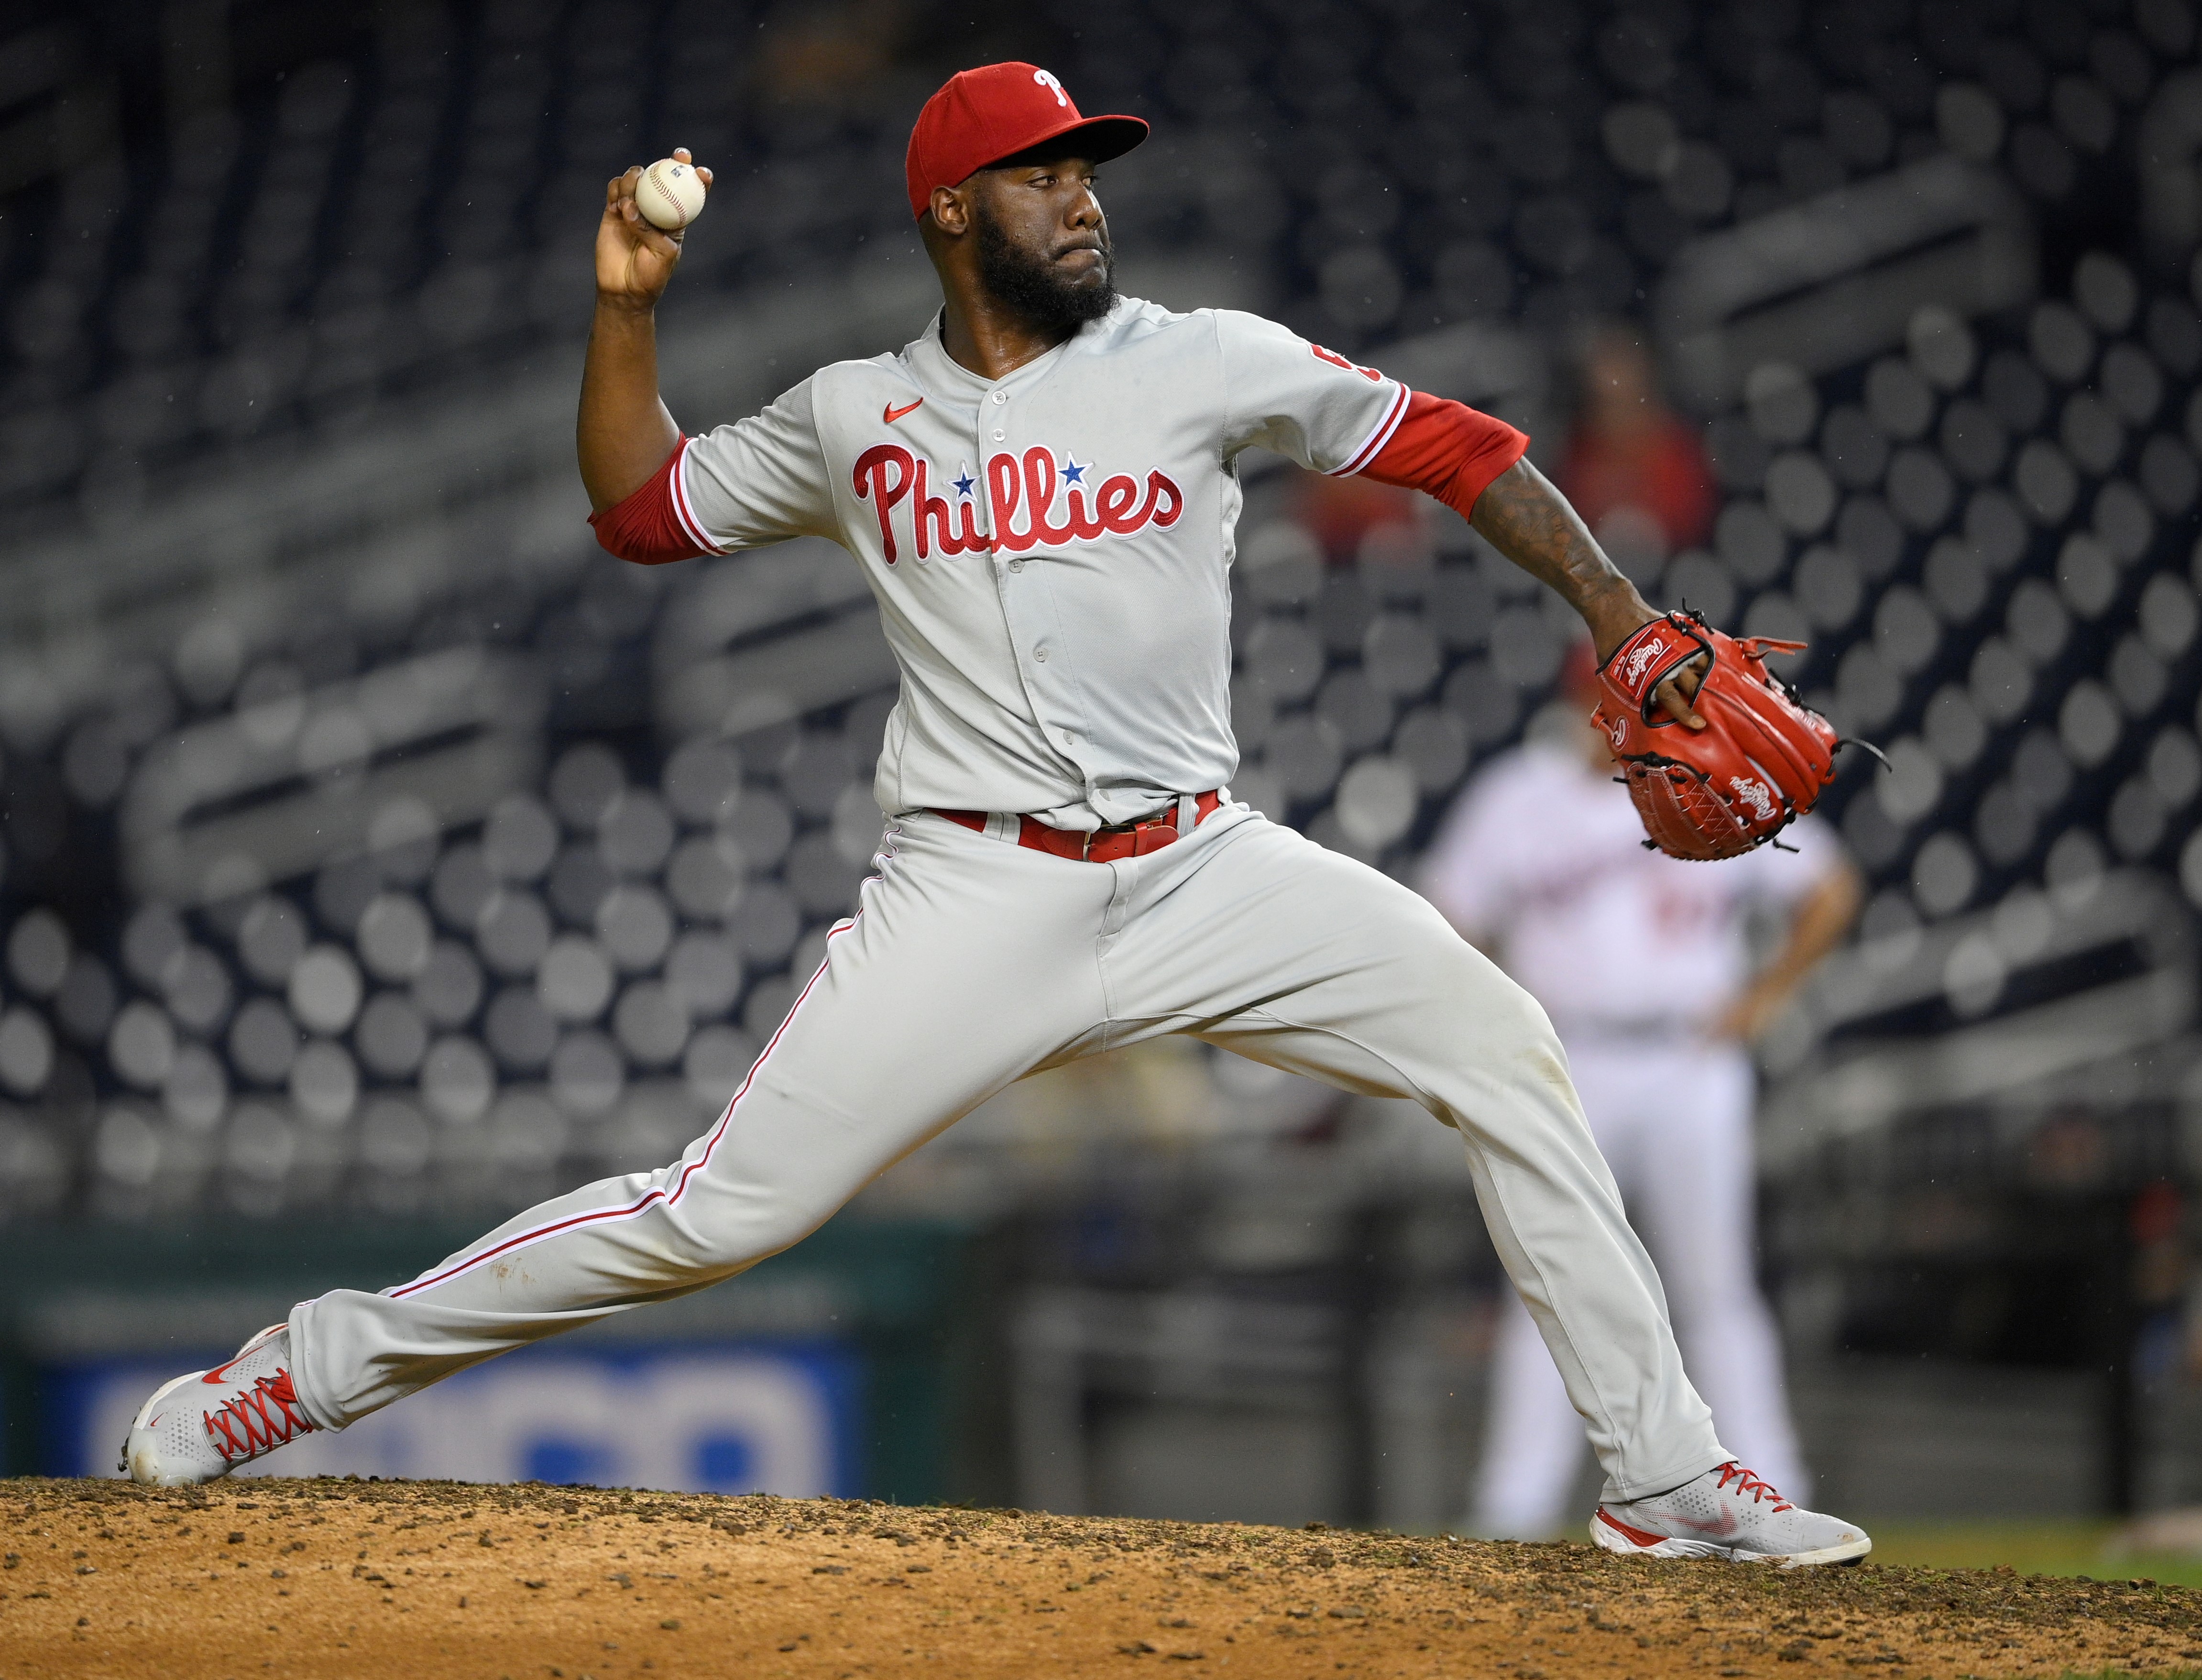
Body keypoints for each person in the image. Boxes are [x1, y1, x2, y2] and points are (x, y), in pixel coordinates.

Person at [124, 62, 1870, 1567]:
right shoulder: (851, 417)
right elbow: (640, 510)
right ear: (954, 210)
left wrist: (1620, 619)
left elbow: (1458, 446)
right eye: (1042, 174)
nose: (1080, 199)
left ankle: (1656, 1473)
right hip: (972, 888)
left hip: (1202, 861)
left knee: (1499, 1043)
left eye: (1087, 170)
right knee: (713, 1216)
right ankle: (295, 1374)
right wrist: (627, 301)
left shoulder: (1202, 359)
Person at [1420, 642, 1863, 1539]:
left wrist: (1762, 998)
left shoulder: (1710, 771)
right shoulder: (1519, 795)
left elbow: (1830, 888)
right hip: (1568, 1059)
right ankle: (1513, 1503)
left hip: (1689, 1057)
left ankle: (1773, 1484)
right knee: (1548, 1280)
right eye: (1606, 694)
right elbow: (1442, 919)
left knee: (1716, 1286)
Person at [1558, 324, 1717, 560]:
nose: (1613, 382)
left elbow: (1693, 521)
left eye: (1621, 369)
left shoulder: (1678, 449)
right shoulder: (1578, 456)